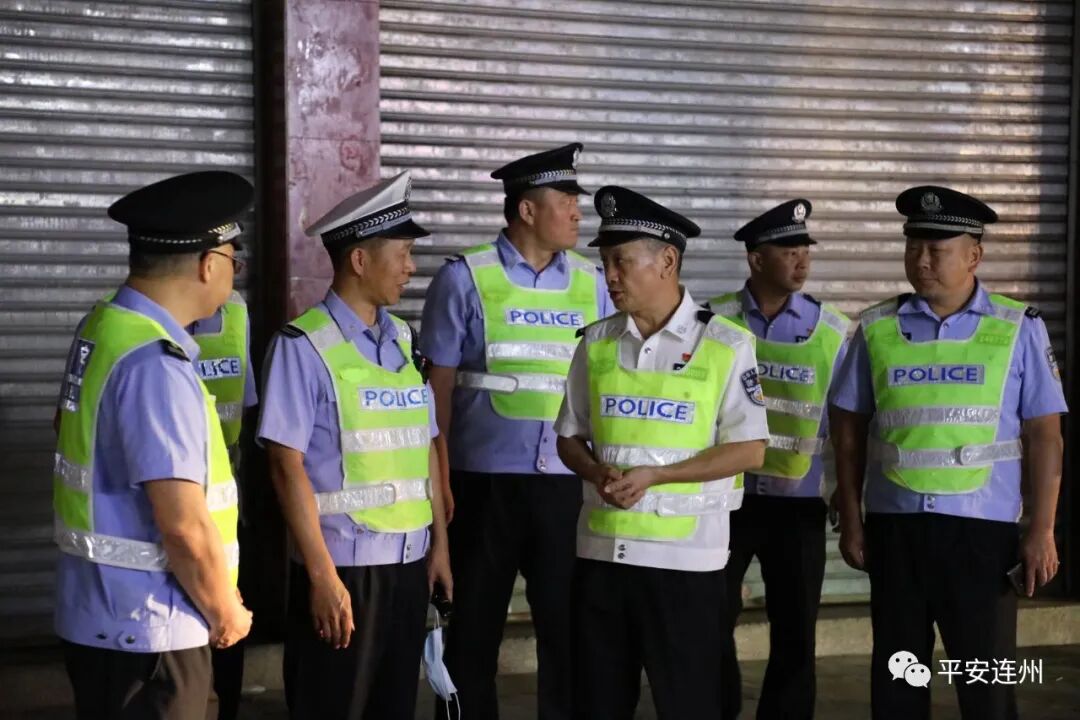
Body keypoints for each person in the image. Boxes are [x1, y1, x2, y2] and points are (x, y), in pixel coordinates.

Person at [829, 186, 1067, 720]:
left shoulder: (1017, 328)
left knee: (985, 685)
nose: (921, 260)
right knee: (898, 680)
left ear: (973, 255)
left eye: (937, 250)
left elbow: (1046, 436)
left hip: (982, 538)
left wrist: (1043, 529)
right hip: (897, 532)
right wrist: (852, 519)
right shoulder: (876, 327)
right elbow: (847, 432)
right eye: (913, 246)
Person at [555, 185, 769, 719]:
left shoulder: (727, 345)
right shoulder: (596, 342)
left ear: (667, 261)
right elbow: (568, 437)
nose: (609, 276)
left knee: (691, 705)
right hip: (602, 559)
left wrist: (657, 476)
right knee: (596, 706)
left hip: (686, 566)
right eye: (605, 262)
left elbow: (750, 450)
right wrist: (594, 469)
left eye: (621, 262)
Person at [420, 143, 612, 719]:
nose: (577, 212)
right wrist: (439, 481)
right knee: (471, 634)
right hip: (482, 487)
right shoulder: (464, 278)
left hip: (566, 485)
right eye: (566, 200)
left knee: (569, 634)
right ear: (527, 210)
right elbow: (437, 390)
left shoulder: (593, 283)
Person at [53, 171, 254, 719]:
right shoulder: (155, 366)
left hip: (100, 615)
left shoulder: (103, 329)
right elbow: (183, 524)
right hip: (150, 630)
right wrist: (226, 611)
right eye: (233, 259)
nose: (234, 272)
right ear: (207, 264)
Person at [258, 171, 453, 720]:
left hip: (408, 567)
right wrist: (321, 576)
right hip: (344, 572)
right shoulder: (302, 346)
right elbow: (285, 466)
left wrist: (439, 548)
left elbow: (424, 446)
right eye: (403, 254)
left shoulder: (404, 340)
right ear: (360, 260)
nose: (411, 267)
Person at [708, 200, 848, 720]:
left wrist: (847, 492)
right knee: (710, 620)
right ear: (756, 259)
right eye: (788, 251)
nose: (801, 260)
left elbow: (847, 423)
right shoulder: (713, 320)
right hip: (725, 501)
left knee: (796, 632)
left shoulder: (832, 330)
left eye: (804, 250)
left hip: (798, 507)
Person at [189, 290, 258, 720]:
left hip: (224, 507)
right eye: (229, 260)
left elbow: (243, 412)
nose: (235, 272)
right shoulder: (131, 325)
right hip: (167, 513)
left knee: (229, 632)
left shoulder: (236, 312)